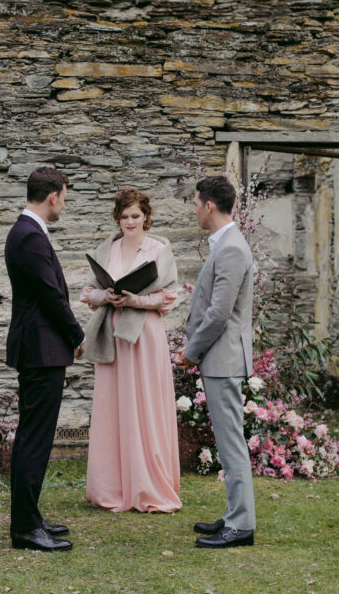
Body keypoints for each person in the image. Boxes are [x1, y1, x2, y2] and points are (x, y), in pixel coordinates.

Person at [80, 187, 181, 513]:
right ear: (117, 218)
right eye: (124, 216)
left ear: (146, 217)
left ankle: (147, 486)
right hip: (112, 335)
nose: (129, 221)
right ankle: (112, 487)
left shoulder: (158, 249)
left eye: (135, 216)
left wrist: (135, 300)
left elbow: (168, 297)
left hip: (144, 336)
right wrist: (105, 297)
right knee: (113, 405)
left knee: (145, 405)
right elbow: (88, 293)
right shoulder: (107, 247)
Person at [5, 167, 85, 552]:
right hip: (40, 350)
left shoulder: (28, 233)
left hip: (41, 349)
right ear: (52, 195)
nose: (64, 205)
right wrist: (76, 333)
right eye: (65, 197)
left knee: (33, 437)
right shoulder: (29, 237)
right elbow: (51, 296)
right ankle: (24, 528)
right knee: (34, 440)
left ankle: (30, 517)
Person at [176, 175, 255, 549]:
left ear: (209, 205)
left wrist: (191, 352)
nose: (194, 209)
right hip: (219, 359)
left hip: (222, 359)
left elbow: (220, 313)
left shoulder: (232, 248)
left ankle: (241, 525)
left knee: (232, 443)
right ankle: (232, 514)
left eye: (195, 203)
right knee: (227, 443)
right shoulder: (224, 244)